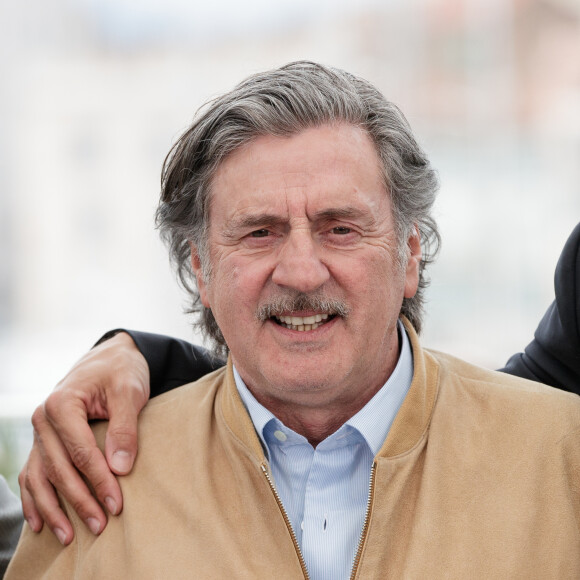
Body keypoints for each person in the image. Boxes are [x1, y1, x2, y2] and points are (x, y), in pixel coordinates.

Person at [6, 62, 580, 579]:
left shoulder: (562, 459)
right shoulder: (89, 481)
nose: (302, 273)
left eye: (341, 228)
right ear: (200, 270)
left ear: (410, 256)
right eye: (260, 232)